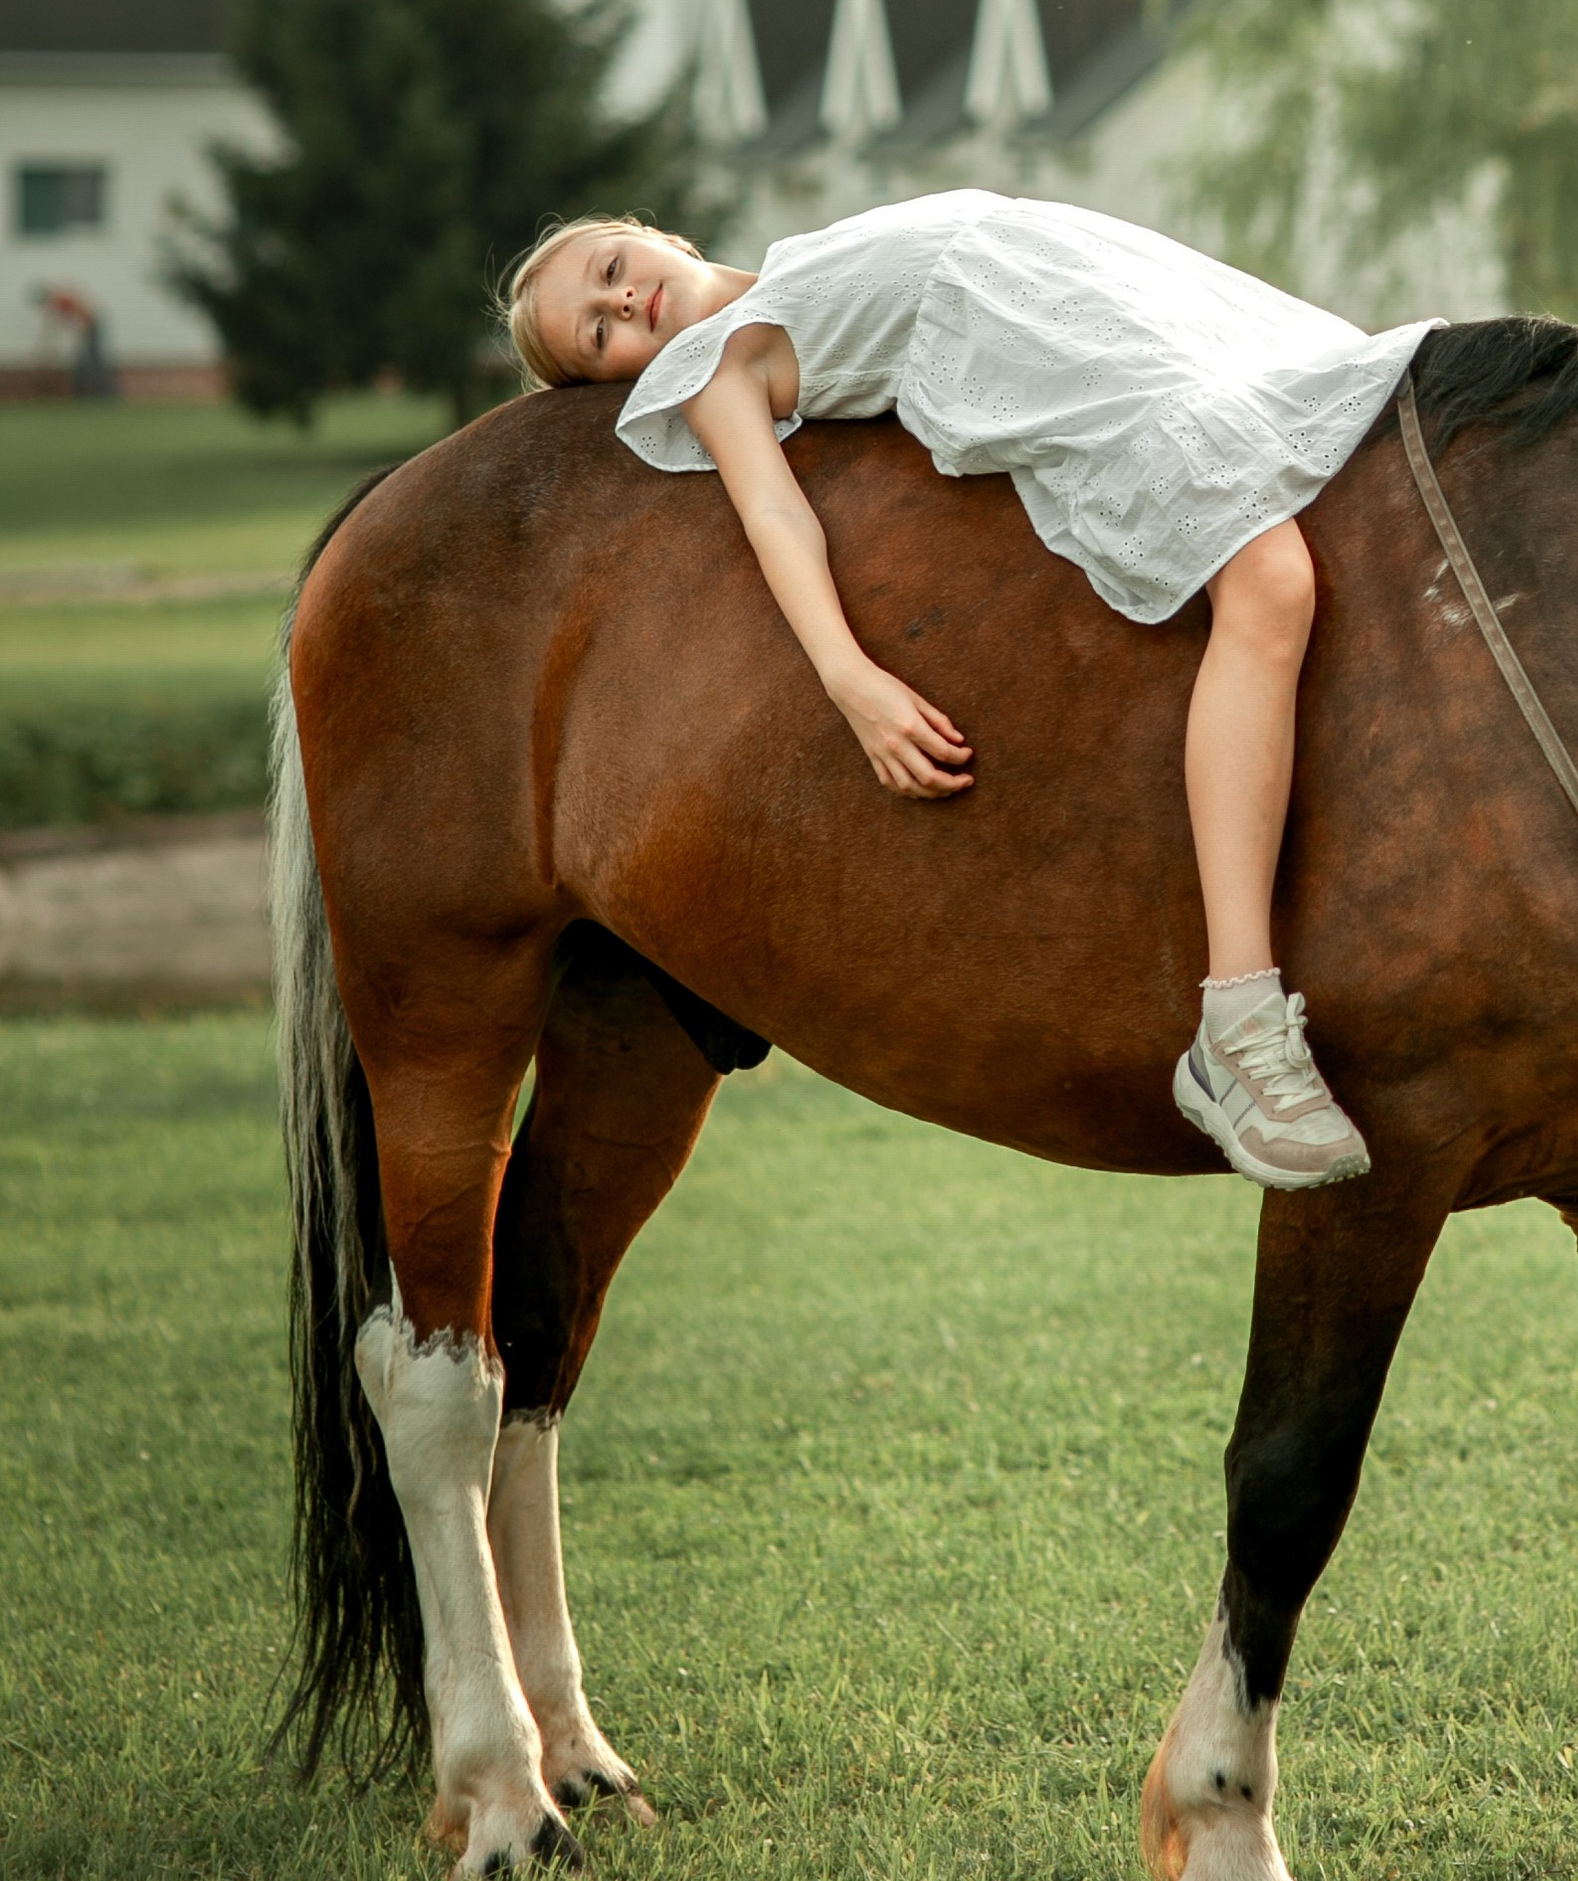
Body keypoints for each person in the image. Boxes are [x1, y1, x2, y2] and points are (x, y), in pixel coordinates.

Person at [505, 191, 1435, 1191]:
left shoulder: (794, 261)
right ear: (608, 381)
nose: (623, 303)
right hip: (1049, 377)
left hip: (1115, 303)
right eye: (594, 335)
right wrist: (848, 676)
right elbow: (773, 512)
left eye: (610, 269)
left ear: (656, 238)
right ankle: (1238, 1026)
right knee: (1268, 582)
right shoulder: (715, 363)